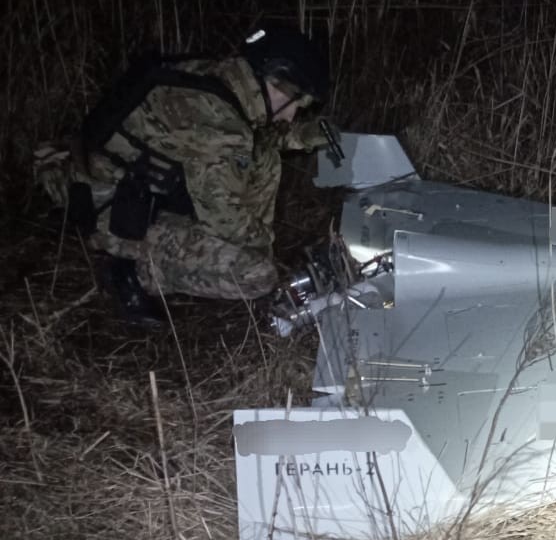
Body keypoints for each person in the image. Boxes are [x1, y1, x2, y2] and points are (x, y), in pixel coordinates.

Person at [45, 25, 338, 326]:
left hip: (115, 182)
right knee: (258, 275)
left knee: (265, 159)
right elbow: (226, 221)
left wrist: (301, 137)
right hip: (110, 211)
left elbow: (253, 138)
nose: (291, 116)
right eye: (294, 103)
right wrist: (264, 250)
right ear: (275, 80)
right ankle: (130, 271)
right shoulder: (221, 129)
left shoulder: (218, 77)